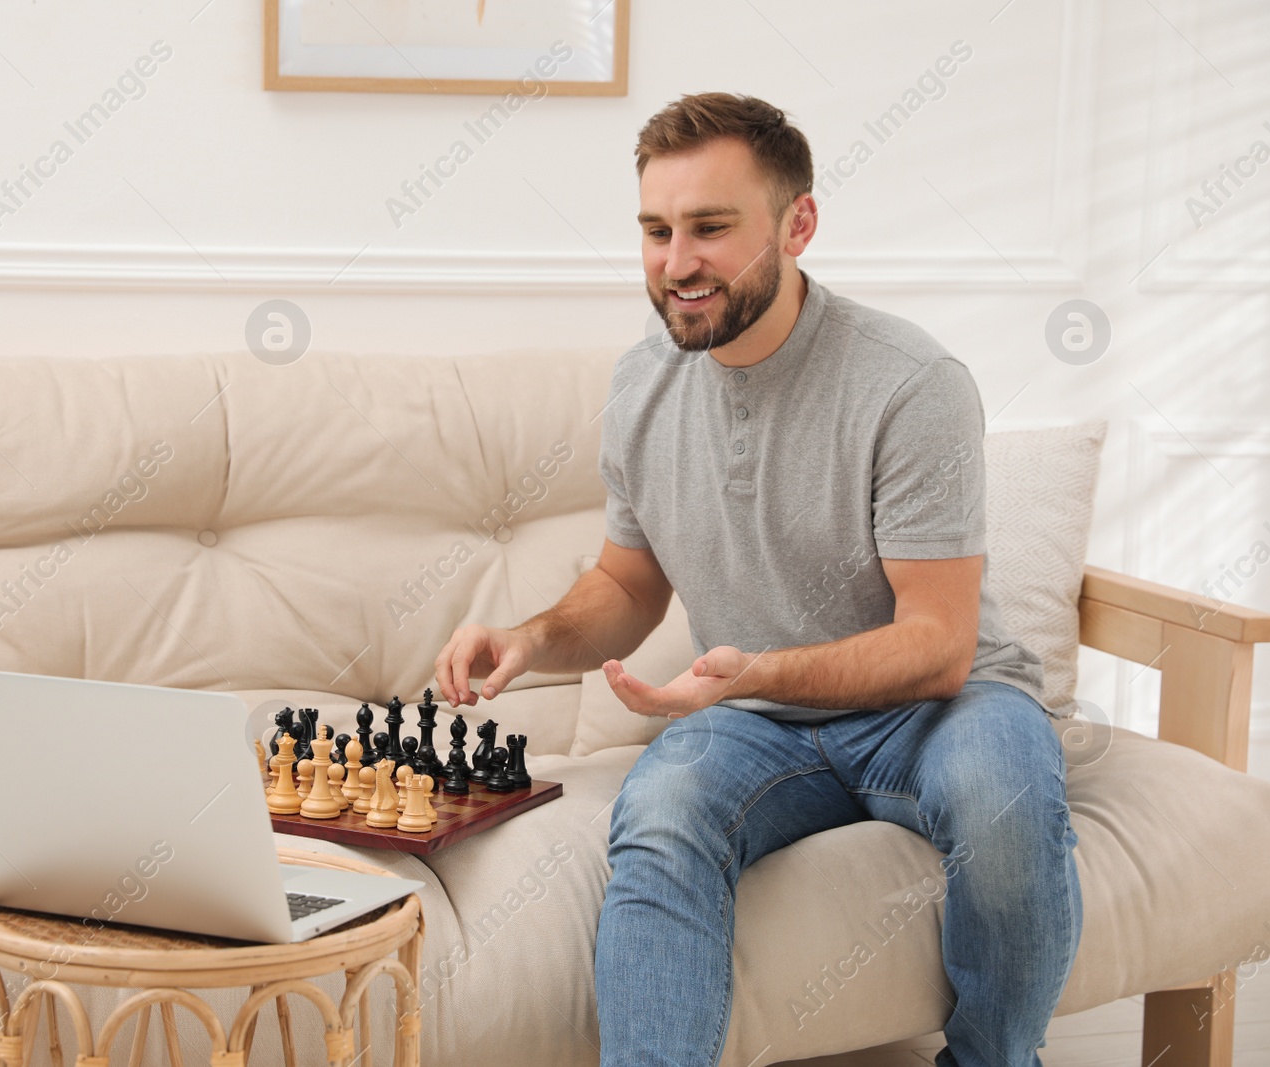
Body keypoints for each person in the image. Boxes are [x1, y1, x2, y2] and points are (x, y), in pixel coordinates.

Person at [433, 93, 1081, 1067]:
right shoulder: (640, 386)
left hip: (937, 701)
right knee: (659, 814)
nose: (675, 262)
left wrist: (754, 672)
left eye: (709, 228)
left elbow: (937, 644)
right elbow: (626, 583)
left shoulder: (909, 383)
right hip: (759, 713)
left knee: (1002, 800)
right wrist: (530, 639)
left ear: (797, 224)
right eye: (655, 230)